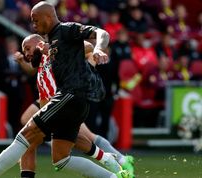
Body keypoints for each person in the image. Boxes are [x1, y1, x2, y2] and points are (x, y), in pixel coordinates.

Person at [0, 2, 130, 178]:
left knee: (27, 134)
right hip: (72, 100)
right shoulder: (50, 49)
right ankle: (114, 175)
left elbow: (100, 35)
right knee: (61, 159)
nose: (34, 25)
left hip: (69, 95)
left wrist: (98, 49)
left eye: (36, 20)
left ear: (47, 17)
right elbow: (38, 64)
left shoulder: (65, 30)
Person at [15, 34, 135, 178]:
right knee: (27, 128)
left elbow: (88, 56)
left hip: (64, 100)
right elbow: (32, 69)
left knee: (84, 137)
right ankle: (56, 143)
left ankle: (119, 160)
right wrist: (22, 61)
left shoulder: (71, 51)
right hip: (48, 99)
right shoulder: (46, 52)